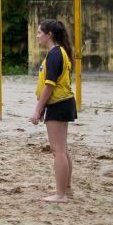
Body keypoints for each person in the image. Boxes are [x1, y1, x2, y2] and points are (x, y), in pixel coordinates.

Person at [29, 19, 77, 203]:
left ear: (49, 35)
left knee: (58, 151)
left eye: (39, 32)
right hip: (62, 103)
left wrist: (38, 110)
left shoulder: (55, 54)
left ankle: (60, 194)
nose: (37, 36)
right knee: (63, 149)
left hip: (59, 104)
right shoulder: (58, 52)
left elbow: (50, 85)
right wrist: (43, 107)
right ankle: (66, 189)